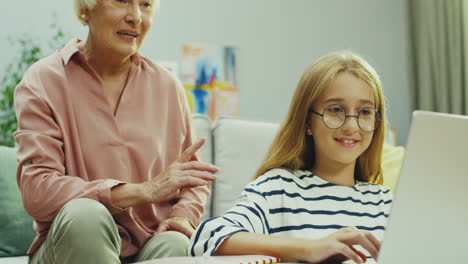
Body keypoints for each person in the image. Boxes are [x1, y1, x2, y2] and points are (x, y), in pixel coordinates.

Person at [13, 0, 218, 263]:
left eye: (145, 5)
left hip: (147, 243)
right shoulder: (43, 80)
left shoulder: (167, 87)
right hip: (70, 245)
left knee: (176, 243)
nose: (136, 17)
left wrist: (182, 216)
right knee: (84, 216)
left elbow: (192, 178)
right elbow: (38, 191)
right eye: (122, 1)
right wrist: (142, 191)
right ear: (86, 9)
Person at [190, 51, 393, 264]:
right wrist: (310, 249)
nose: (352, 125)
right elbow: (206, 238)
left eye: (365, 112)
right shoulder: (278, 188)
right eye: (335, 109)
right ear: (307, 122)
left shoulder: (384, 202)